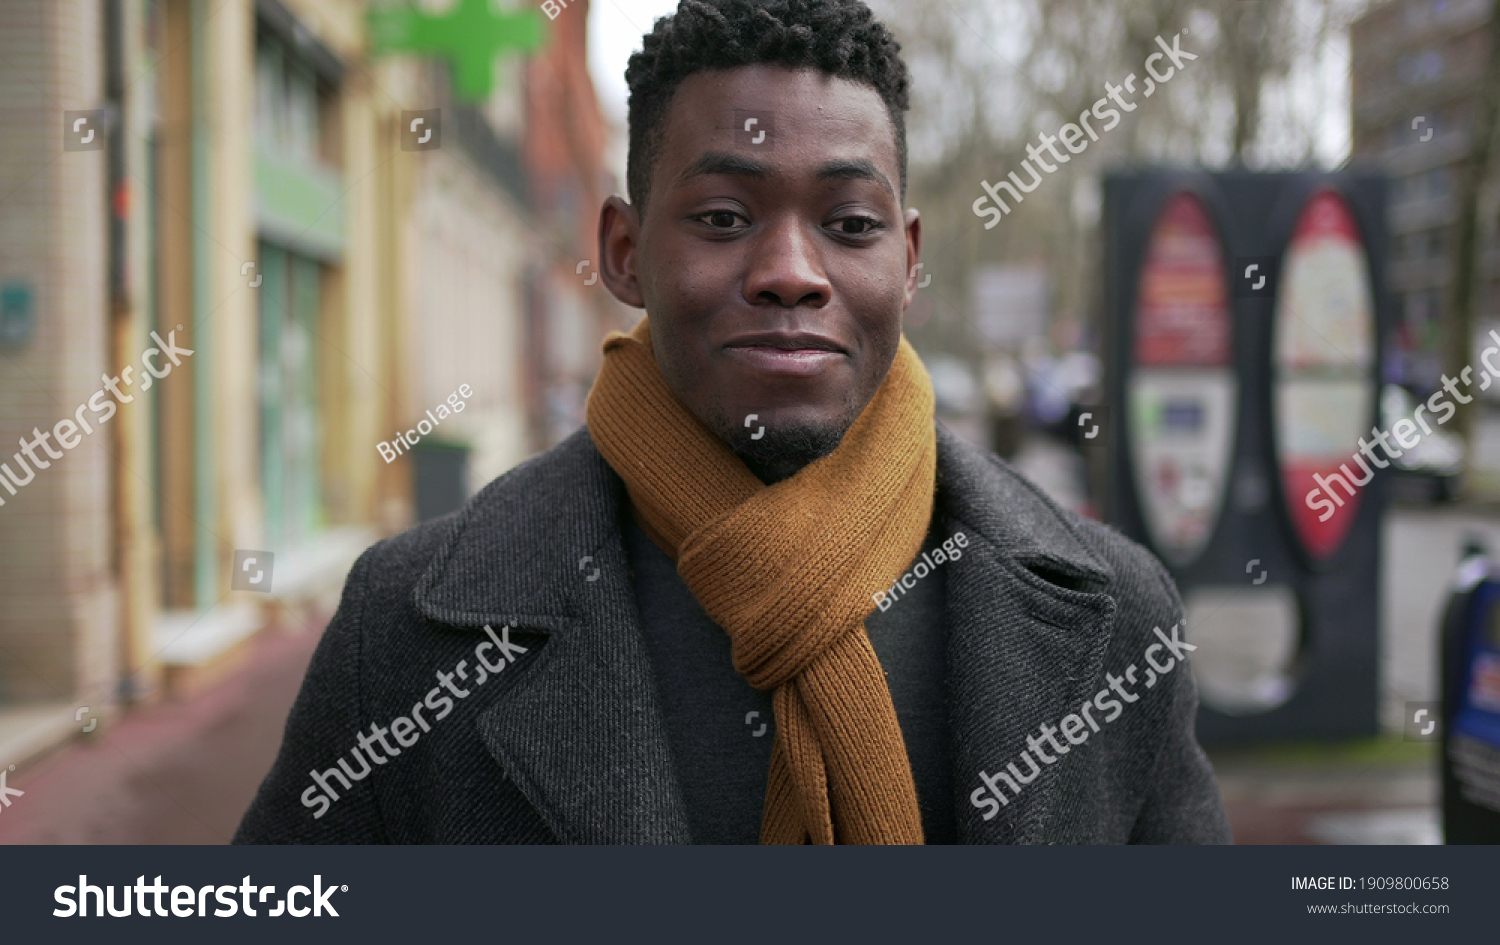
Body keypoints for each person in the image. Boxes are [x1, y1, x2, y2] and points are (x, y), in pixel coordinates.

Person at [234, 0, 1230, 845]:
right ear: (624, 251)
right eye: (722, 217)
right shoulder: (406, 636)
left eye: (850, 225)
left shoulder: (1117, 620)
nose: (792, 271)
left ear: (909, 262)